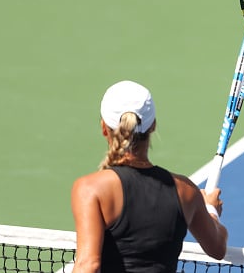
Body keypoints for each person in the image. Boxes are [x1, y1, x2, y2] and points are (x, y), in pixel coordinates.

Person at [71, 80, 228, 273]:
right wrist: (210, 209)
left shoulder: (91, 189)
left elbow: (88, 265)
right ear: (152, 125)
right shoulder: (186, 191)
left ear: (104, 128)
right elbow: (217, 248)